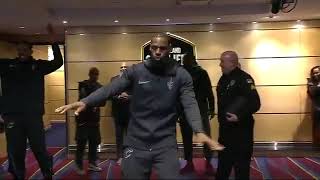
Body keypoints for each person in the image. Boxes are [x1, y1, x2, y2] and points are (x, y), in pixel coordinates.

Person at [56, 34, 224, 179]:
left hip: (165, 144)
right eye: (154, 48)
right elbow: (111, 88)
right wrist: (86, 101)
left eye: (163, 48)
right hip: (136, 143)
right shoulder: (136, 71)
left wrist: (199, 130)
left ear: (170, 48)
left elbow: (190, 103)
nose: (158, 52)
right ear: (150, 48)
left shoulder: (181, 75)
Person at [0, 24, 63, 179]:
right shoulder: (6, 65)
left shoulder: (38, 65)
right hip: (12, 117)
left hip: (33, 116)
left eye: (25, 50)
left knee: (39, 148)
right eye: (19, 50)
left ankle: (47, 173)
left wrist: (54, 42)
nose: (21, 52)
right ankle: (18, 175)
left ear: (30, 51)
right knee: (15, 150)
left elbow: (58, 62)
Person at [216, 51, 260, 180]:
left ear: (232, 63)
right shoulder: (223, 78)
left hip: (241, 132)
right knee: (223, 166)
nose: (220, 64)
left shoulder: (244, 79)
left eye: (222, 61)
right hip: (225, 131)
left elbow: (255, 103)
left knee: (241, 168)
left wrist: (239, 116)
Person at [179, 53, 215, 175]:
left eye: (186, 59)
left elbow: (209, 92)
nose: (184, 61)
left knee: (202, 137)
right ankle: (191, 163)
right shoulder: (182, 73)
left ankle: (208, 163)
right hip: (187, 111)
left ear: (192, 60)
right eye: (184, 60)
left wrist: (212, 108)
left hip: (198, 110)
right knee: (188, 139)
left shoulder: (201, 73)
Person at [74, 67, 106, 175]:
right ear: (89, 74)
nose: (95, 76)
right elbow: (83, 98)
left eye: (96, 74)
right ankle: (79, 165)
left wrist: (96, 102)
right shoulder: (83, 84)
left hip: (94, 120)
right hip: (83, 120)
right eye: (93, 74)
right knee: (81, 144)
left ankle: (92, 163)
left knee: (94, 143)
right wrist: (94, 102)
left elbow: (103, 102)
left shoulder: (100, 87)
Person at [110, 64, 131, 165]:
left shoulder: (133, 80)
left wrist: (129, 97)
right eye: (121, 67)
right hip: (117, 113)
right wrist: (118, 97)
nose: (123, 69)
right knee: (119, 137)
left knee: (130, 136)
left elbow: (137, 95)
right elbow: (110, 95)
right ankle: (120, 157)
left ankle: (129, 157)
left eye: (125, 67)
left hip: (130, 113)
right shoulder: (113, 79)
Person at [307, 66, 320, 145]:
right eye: (314, 73)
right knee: (317, 128)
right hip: (317, 108)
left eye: (317, 72)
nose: (316, 74)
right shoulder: (310, 82)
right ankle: (317, 145)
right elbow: (313, 92)